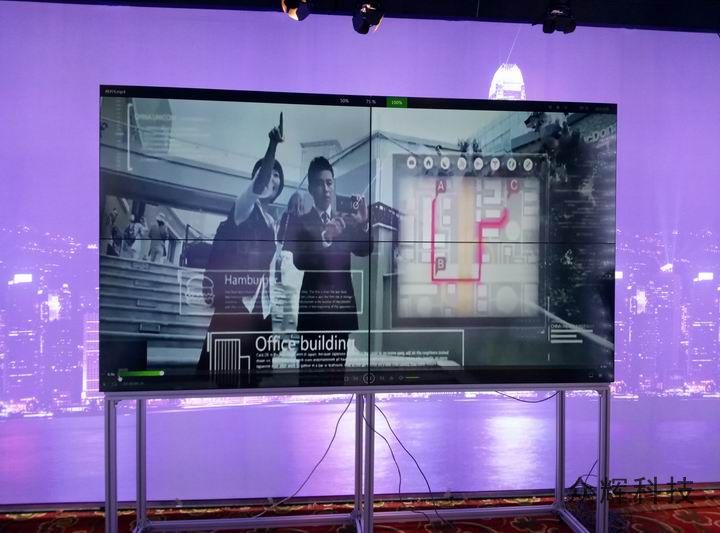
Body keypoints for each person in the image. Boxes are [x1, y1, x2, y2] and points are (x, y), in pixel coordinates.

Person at [196, 116, 285, 380]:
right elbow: (258, 184)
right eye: (268, 172)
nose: (272, 179)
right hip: (236, 306)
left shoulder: (272, 223)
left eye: (277, 175)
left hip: (260, 310)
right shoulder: (244, 206)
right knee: (221, 377)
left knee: (253, 380)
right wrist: (273, 145)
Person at [289, 156, 372, 380]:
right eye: (319, 183)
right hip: (313, 315)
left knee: (336, 379)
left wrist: (364, 224)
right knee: (309, 381)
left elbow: (365, 250)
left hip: (339, 314)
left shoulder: (345, 221)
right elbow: (299, 260)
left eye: (329, 183)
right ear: (310, 189)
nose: (325, 189)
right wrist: (326, 237)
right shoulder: (301, 222)